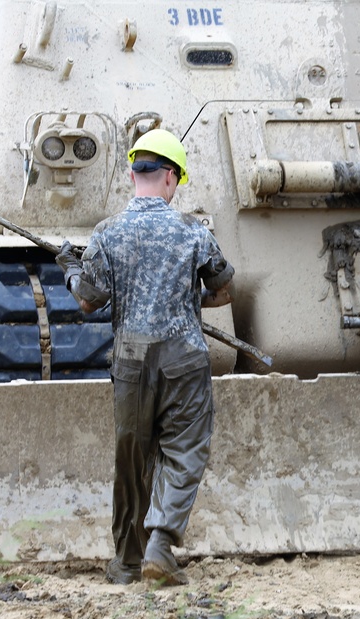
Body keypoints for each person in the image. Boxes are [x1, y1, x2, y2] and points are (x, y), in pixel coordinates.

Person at [56, 128, 235, 585]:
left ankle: (126, 563)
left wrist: (72, 270)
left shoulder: (107, 232)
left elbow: (90, 300)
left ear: (135, 173)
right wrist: (187, 299)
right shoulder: (193, 230)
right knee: (184, 450)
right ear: (171, 178)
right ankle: (160, 547)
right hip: (183, 357)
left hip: (131, 357)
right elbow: (223, 290)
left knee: (132, 459)